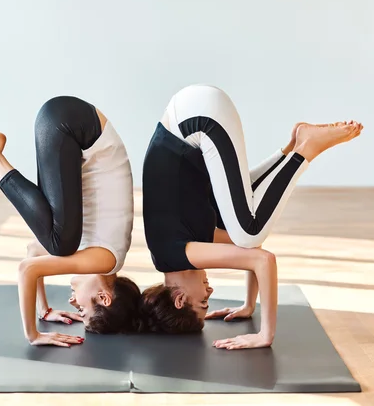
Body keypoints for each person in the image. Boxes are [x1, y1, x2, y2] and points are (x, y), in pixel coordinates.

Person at [139, 84, 362, 349]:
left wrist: (264, 335)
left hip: (197, 120)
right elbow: (250, 252)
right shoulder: (174, 248)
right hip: (194, 113)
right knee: (240, 228)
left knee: (249, 230)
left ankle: (306, 149)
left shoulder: (176, 255)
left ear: (179, 299)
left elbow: (262, 259)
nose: (210, 292)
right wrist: (247, 305)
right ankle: (294, 146)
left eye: (203, 301)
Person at [0, 96, 140, 347]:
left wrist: (44, 309)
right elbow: (28, 269)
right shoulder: (106, 260)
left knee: (52, 236)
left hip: (65, 121)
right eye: (83, 309)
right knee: (60, 244)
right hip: (75, 126)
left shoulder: (96, 250)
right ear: (104, 298)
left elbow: (33, 252)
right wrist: (33, 334)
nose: (73, 303)